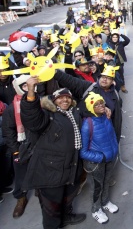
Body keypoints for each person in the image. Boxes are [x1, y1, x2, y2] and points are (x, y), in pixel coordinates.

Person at [21, 81, 86, 229]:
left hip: (71, 166)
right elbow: (31, 117)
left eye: (68, 97)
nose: (65, 100)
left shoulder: (74, 113)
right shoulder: (47, 115)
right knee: (52, 207)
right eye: (60, 98)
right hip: (50, 170)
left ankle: (66, 217)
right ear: (53, 100)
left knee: (68, 197)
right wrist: (31, 91)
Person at [80, 92, 119, 224]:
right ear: (91, 108)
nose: (101, 105)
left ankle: (105, 201)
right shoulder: (87, 125)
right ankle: (96, 209)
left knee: (106, 181)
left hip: (110, 158)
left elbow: (112, 136)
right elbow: (83, 151)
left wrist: (115, 151)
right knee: (97, 186)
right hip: (97, 163)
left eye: (102, 102)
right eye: (96, 104)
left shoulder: (105, 117)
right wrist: (100, 157)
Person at [1, 75, 33, 218]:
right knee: (21, 173)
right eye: (25, 86)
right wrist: (15, 150)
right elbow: (8, 131)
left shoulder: (38, 101)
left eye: (30, 85)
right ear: (18, 88)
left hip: (39, 143)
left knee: (41, 169)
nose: (29, 88)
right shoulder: (11, 109)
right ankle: (21, 197)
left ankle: (41, 190)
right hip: (21, 145)